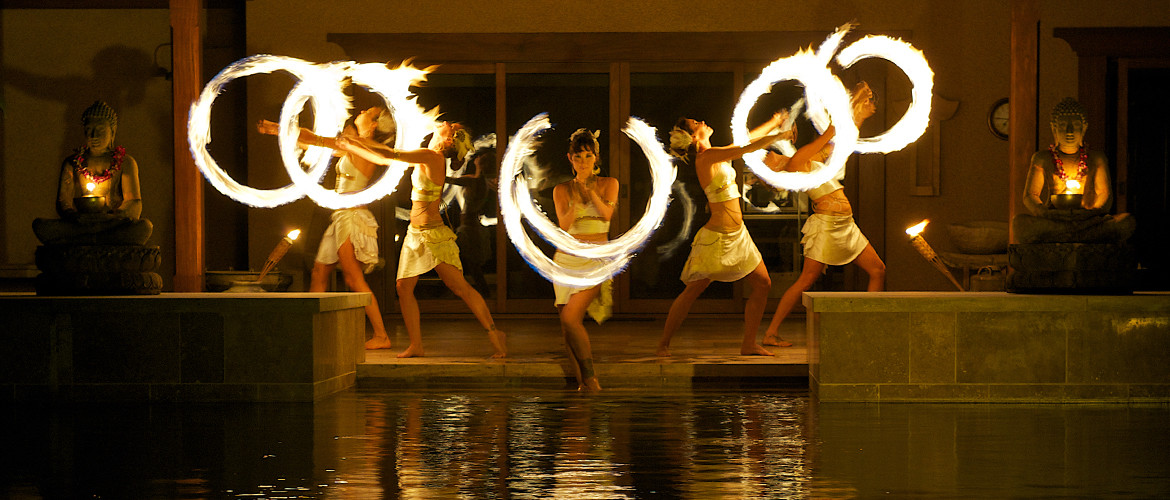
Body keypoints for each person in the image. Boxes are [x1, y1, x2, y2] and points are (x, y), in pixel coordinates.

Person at [338, 121, 507, 359]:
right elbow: (384, 159)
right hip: (414, 234)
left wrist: (355, 143)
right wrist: (354, 146)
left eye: (451, 125)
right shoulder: (426, 155)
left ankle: (494, 333)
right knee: (403, 287)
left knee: (460, 287)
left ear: (449, 139)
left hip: (432, 234)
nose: (445, 122)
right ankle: (416, 344)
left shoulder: (432, 156)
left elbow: (388, 154)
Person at [759, 82, 887, 347]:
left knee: (877, 270)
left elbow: (838, 146)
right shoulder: (795, 166)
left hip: (845, 224)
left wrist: (858, 116)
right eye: (767, 158)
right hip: (828, 225)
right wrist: (852, 106)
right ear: (772, 171)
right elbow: (828, 134)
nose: (771, 154)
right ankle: (771, 332)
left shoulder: (806, 160)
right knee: (806, 279)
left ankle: (868, 324)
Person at [256, 106, 393, 350]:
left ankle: (381, 335)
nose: (360, 111)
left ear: (373, 125)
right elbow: (316, 143)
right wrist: (283, 135)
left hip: (352, 218)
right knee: (319, 273)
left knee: (353, 278)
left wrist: (278, 129)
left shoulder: (363, 146)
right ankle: (311, 333)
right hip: (340, 217)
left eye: (367, 111)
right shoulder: (353, 145)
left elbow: (316, 139)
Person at [655, 117, 789, 357]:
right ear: (694, 136)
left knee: (763, 284)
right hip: (717, 238)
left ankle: (748, 344)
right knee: (693, 290)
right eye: (697, 123)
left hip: (739, 236)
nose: (704, 121)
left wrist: (774, 121)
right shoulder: (706, 157)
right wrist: (777, 137)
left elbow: (745, 141)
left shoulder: (716, 154)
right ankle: (664, 343)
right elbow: (744, 149)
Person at [1013, 97, 1135, 244]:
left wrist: (1090, 213)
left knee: (1126, 221)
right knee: (1019, 223)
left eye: (1075, 125)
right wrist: (1044, 212)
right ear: (1054, 128)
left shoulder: (1096, 158)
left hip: (1087, 220)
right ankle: (1078, 236)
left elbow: (1105, 195)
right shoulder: (1042, 158)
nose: (1069, 131)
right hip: (1055, 218)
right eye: (1063, 125)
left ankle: (1064, 237)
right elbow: (1030, 195)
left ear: (1084, 128)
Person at [551, 129, 618, 391]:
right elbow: (564, 225)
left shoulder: (609, 183)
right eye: (578, 157)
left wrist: (590, 192)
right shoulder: (561, 189)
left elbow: (607, 216)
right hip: (565, 260)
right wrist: (575, 200)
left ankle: (591, 378)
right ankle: (582, 387)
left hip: (594, 261)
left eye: (587, 156)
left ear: (596, 157)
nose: (583, 161)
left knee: (570, 318)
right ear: (570, 158)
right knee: (567, 327)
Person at [33, 100, 152, 246]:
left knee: (144, 227)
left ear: (112, 132)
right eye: (89, 130)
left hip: (111, 223)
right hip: (81, 224)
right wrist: (74, 216)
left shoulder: (125, 162)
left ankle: (83, 242)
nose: (94, 136)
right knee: (40, 225)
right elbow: (63, 202)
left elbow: (134, 203)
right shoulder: (72, 162)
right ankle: (96, 240)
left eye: (100, 130)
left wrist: (112, 216)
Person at [446, 145, 495, 296]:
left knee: (465, 264)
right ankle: (478, 293)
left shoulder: (476, 182)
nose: (477, 157)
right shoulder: (477, 181)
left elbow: (448, 179)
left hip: (470, 228)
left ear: (480, 163)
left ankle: (478, 294)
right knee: (467, 264)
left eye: (480, 157)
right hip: (469, 226)